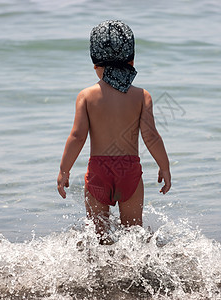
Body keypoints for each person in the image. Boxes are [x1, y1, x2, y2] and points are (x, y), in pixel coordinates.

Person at [57, 20, 171, 239]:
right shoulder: (141, 96)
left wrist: (64, 170)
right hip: (129, 172)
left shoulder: (86, 96)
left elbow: (77, 136)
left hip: (99, 172)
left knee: (98, 237)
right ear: (132, 60)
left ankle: (101, 273)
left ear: (95, 66)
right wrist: (164, 167)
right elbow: (151, 136)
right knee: (133, 236)